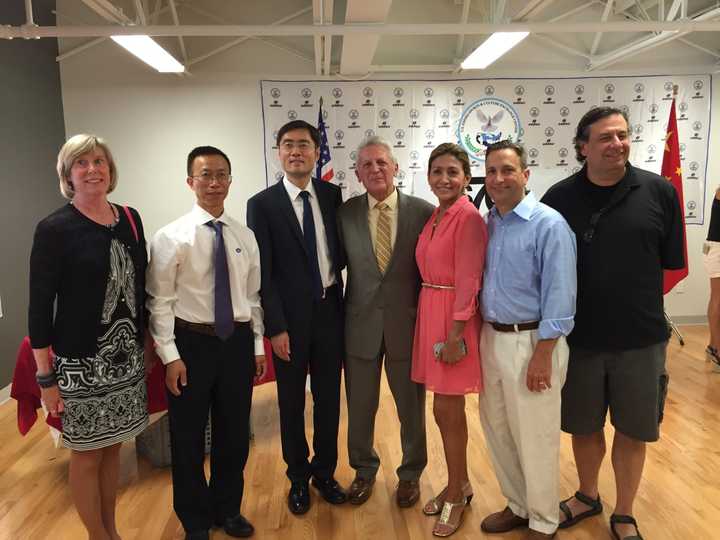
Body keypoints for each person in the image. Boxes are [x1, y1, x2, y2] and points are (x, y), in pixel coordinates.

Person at [542, 107, 685, 540]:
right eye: (605, 138)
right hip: (579, 340)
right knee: (584, 427)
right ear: (583, 147)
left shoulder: (658, 191)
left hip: (641, 341)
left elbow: (670, 261)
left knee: (632, 429)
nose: (617, 144)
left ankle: (624, 512)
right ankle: (587, 495)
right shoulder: (558, 199)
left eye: (623, 135)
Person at [29, 134, 149, 540]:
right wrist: (45, 379)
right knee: (86, 453)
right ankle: (97, 537)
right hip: (81, 362)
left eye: (99, 161)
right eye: (81, 163)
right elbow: (40, 308)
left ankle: (111, 530)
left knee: (115, 446)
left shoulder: (130, 218)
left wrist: (148, 346)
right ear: (67, 175)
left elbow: (141, 287)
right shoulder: (54, 229)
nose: (92, 169)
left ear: (110, 170)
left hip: (126, 359)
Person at [146, 146, 266, 540]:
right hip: (190, 347)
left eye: (221, 175)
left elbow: (252, 298)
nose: (214, 183)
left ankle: (228, 509)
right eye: (205, 176)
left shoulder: (244, 235)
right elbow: (160, 302)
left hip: (235, 345)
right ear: (190, 182)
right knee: (188, 437)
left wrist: (257, 347)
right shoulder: (171, 236)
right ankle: (195, 520)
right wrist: (170, 357)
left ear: (230, 180)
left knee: (234, 434)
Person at [247, 120, 347, 515]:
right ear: (278, 152)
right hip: (289, 321)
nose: (296, 151)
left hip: (329, 313)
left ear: (317, 150)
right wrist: (276, 327)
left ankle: (324, 472)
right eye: (288, 145)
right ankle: (298, 479)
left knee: (328, 401)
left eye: (304, 144)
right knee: (290, 403)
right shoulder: (262, 204)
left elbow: (337, 254)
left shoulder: (331, 194)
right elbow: (264, 272)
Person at [478, 141, 576, 540]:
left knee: (535, 434)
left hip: (534, 342)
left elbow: (561, 294)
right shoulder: (490, 222)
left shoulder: (549, 224)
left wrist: (543, 354)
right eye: (491, 172)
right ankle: (519, 505)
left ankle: (544, 519)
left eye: (507, 170)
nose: (499, 179)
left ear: (525, 175)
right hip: (491, 337)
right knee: (498, 429)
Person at [338, 136, 434, 507]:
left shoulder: (423, 212)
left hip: (406, 327)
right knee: (360, 407)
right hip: (358, 327)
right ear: (358, 174)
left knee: (411, 408)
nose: (375, 169)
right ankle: (363, 470)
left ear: (395, 167)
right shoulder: (344, 214)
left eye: (381, 162)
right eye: (366, 165)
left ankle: (410, 474)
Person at [411, 142, 487, 537]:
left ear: (466, 177)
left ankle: (457, 493)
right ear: (428, 176)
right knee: (443, 411)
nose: (444, 179)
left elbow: (470, 279)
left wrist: (457, 334)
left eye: (452, 172)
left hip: (452, 321)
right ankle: (461, 482)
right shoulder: (438, 214)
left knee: (449, 411)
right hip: (431, 309)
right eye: (437, 171)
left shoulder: (468, 217)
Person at [704, 187, 720, 371]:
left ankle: (712, 344)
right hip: (717, 248)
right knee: (718, 298)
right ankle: (717, 351)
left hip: (714, 248)